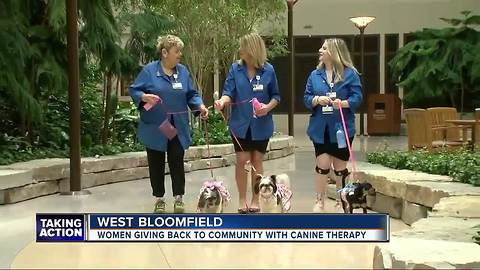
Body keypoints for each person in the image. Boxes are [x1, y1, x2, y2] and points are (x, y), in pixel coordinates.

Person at [129, 35, 208, 213]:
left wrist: (200, 107)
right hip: (156, 126)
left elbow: (191, 94)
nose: (180, 54)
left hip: (177, 127)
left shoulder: (183, 71)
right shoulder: (149, 71)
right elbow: (134, 89)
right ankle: (159, 199)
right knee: (155, 161)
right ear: (164, 53)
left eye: (180, 51)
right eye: (177, 51)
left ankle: (178, 197)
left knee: (176, 158)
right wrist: (144, 96)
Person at [214, 33, 281, 213]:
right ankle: (242, 198)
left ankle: (255, 198)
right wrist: (222, 101)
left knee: (256, 160)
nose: (240, 50)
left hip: (262, 124)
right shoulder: (235, 68)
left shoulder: (268, 70)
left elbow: (276, 96)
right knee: (242, 160)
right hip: (240, 124)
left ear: (251, 49)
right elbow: (229, 91)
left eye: (242, 46)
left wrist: (266, 108)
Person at [303, 38, 363, 212]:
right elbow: (306, 98)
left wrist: (342, 103)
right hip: (320, 128)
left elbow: (357, 97)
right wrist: (316, 99)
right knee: (322, 164)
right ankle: (319, 201)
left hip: (342, 128)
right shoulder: (315, 75)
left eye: (324, 48)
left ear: (334, 53)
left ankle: (341, 200)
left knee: (340, 167)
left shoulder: (350, 73)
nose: (320, 51)